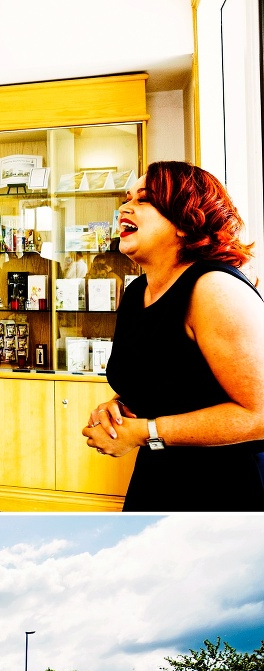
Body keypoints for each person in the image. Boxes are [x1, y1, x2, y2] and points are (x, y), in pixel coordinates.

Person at [82, 161, 264, 511]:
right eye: (125, 198)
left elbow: (259, 414)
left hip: (226, 489)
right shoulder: (137, 292)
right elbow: (168, 381)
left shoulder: (213, 288)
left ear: (185, 220)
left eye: (145, 198)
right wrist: (119, 409)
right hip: (159, 476)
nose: (124, 207)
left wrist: (146, 432)